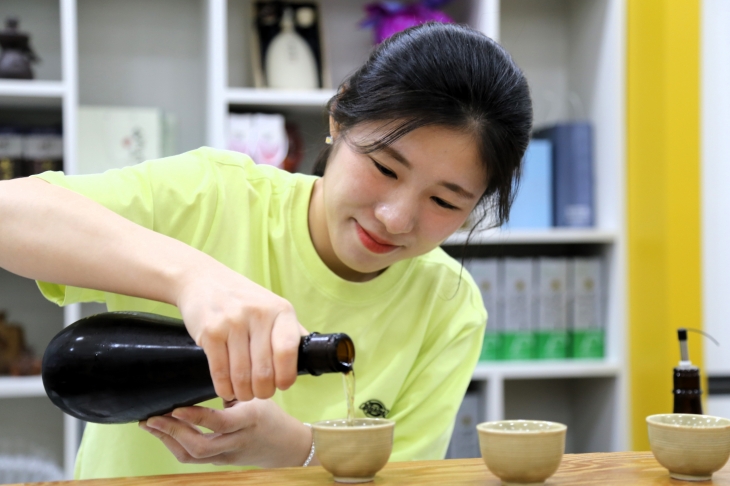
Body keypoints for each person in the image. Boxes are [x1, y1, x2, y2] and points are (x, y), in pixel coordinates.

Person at [0, 22, 531, 479]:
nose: (395, 218)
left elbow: (404, 478)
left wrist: (299, 450)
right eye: (385, 168)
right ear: (339, 118)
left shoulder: (448, 307)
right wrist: (192, 278)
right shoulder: (213, 194)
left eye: (443, 200)